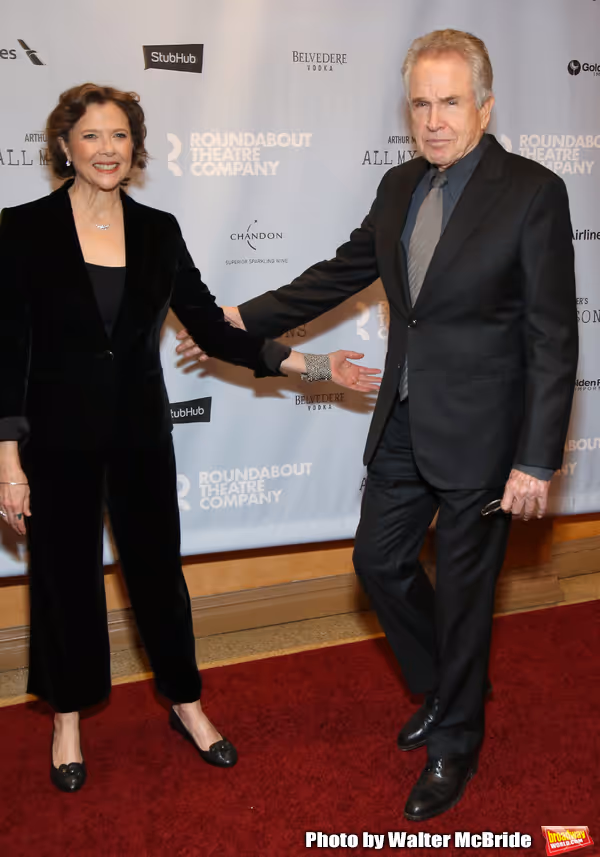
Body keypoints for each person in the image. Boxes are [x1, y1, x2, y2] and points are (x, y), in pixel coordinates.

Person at [176, 30, 578, 820]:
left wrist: (536, 458)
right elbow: (341, 272)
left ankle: (456, 739)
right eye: (421, 104)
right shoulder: (399, 185)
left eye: (450, 102)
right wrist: (236, 315)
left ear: (486, 105)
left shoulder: (532, 190)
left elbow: (553, 334)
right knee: (377, 562)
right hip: (403, 417)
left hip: (486, 438)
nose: (433, 120)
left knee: (466, 596)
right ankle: (446, 681)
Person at [0, 83, 380, 794]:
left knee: (158, 576)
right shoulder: (21, 230)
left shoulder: (159, 231)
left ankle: (187, 703)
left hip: (142, 434)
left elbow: (211, 328)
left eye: (119, 136)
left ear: (135, 148)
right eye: (91, 136)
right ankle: (68, 718)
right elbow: (6, 352)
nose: (107, 149)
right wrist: (7, 462)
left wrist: (320, 365)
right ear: (63, 146)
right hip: (54, 441)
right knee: (62, 582)